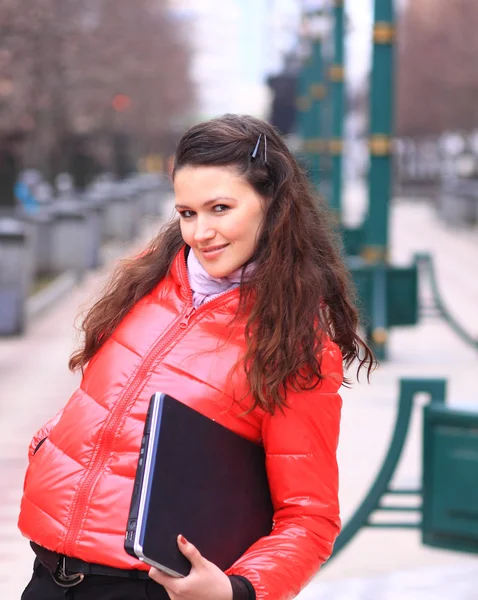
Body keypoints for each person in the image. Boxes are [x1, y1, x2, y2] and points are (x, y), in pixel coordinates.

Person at [18, 114, 374, 600]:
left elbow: (309, 517)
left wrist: (237, 591)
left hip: (145, 588)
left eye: (220, 208)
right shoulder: (148, 285)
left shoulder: (292, 341)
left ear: (273, 204)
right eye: (187, 213)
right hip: (50, 574)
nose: (201, 232)